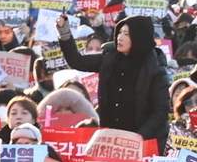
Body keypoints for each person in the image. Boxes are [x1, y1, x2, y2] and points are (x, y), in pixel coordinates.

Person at [58, 13, 170, 151]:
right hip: (111, 139)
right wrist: (64, 31)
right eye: (120, 32)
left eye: (127, 34)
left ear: (139, 37)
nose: (120, 37)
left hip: (144, 142)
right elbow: (78, 61)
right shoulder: (109, 58)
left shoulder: (155, 69)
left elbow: (160, 111)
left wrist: (137, 137)